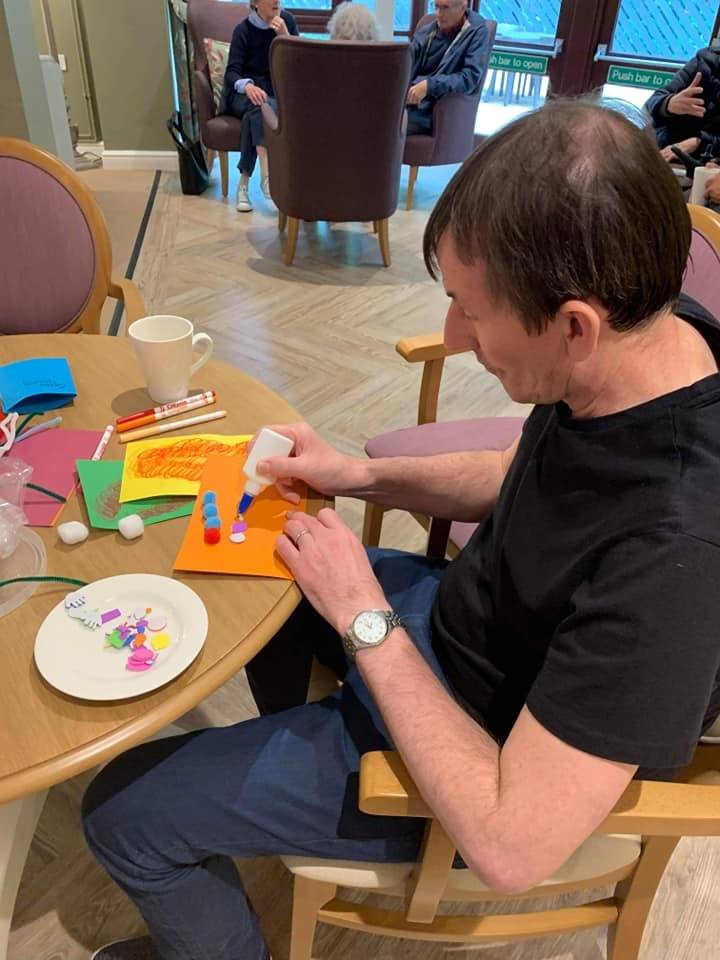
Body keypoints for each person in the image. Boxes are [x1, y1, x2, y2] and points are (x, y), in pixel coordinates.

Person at [83, 100, 720, 960]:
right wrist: (358, 474)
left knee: (121, 812)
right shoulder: (647, 340)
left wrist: (364, 622)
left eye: (471, 310)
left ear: (575, 327)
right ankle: (302, 762)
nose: (454, 335)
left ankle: (309, 793)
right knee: (268, 561)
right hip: (452, 629)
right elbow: (522, 473)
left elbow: (510, 846)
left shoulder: (676, 554)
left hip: (473, 762)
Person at [222, 0, 299, 213]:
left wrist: (284, 36)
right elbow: (232, 73)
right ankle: (268, 176)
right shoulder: (243, 30)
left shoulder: (288, 22)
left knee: (257, 112)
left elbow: (299, 64)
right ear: (255, 3)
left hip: (272, 95)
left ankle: (243, 185)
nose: (276, 1)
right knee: (259, 106)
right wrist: (248, 86)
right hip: (242, 94)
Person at [406, 0, 490, 135]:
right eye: (436, 7)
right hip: (408, 102)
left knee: (386, 126)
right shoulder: (429, 30)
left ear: (463, 7)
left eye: (445, 8)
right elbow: (407, 60)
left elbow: (469, 78)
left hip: (430, 110)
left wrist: (430, 86)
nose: (439, 14)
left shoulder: (476, 32)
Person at [646, 45, 720, 164]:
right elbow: (653, 101)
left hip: (707, 162)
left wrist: (699, 142)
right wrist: (669, 103)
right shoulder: (704, 61)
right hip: (664, 148)